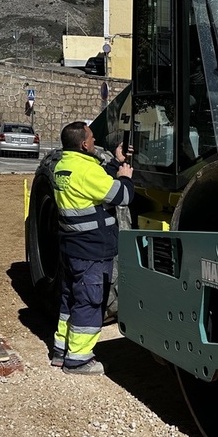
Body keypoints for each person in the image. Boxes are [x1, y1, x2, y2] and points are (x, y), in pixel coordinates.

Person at [51, 121, 134, 375]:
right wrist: (126, 178)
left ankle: (60, 350)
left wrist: (115, 163)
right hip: (92, 250)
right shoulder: (86, 171)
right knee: (89, 301)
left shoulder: (63, 166)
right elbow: (122, 196)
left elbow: (94, 185)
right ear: (84, 143)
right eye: (92, 138)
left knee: (71, 299)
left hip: (72, 247)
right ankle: (78, 359)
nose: (95, 142)